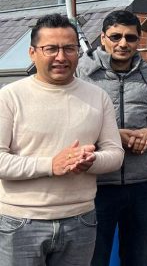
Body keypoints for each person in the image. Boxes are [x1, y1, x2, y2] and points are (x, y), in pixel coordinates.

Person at [0, 14, 124, 265]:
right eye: (51, 49)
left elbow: (115, 154)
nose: (61, 57)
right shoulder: (9, 97)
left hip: (80, 219)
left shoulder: (97, 97)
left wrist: (91, 160)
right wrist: (50, 165)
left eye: (69, 48)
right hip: (21, 222)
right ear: (32, 53)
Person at [77, 10, 147, 266]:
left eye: (130, 37)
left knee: (139, 257)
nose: (123, 43)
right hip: (96, 184)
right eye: (116, 36)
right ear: (103, 38)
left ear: (138, 40)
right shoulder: (82, 73)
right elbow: (68, 130)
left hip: (141, 186)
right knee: (94, 258)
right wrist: (111, 137)